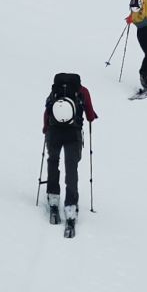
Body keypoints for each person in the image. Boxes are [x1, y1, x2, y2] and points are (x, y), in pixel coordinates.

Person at [42, 71, 97, 228]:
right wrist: (90, 116)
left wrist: (46, 128)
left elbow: (47, 111)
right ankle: (71, 208)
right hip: (73, 134)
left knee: (53, 161)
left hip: (54, 132)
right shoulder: (82, 91)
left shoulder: (55, 91)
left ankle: (53, 199)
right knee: (71, 168)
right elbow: (90, 115)